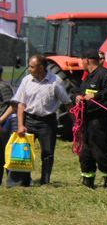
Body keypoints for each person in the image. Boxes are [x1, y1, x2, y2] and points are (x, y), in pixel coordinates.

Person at [8, 55, 72, 187]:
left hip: (47, 123)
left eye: (32, 67)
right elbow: (20, 104)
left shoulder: (56, 81)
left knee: (47, 153)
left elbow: (67, 103)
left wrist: (76, 124)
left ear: (41, 68)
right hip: (29, 120)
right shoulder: (26, 80)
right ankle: (24, 181)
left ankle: (45, 181)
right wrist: (20, 125)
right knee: (24, 151)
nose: (29, 69)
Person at [77, 49, 107, 189]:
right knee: (85, 152)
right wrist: (77, 97)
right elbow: (81, 92)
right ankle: (88, 178)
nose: (80, 63)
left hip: (99, 121)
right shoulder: (87, 77)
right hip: (86, 120)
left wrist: (96, 96)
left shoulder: (105, 75)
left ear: (87, 60)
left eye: (81, 60)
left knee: (101, 151)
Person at [1, 66, 17, 186]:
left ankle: (12, 181)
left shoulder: (3, 87)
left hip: (3, 125)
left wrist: (1, 120)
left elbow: (12, 106)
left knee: (4, 154)